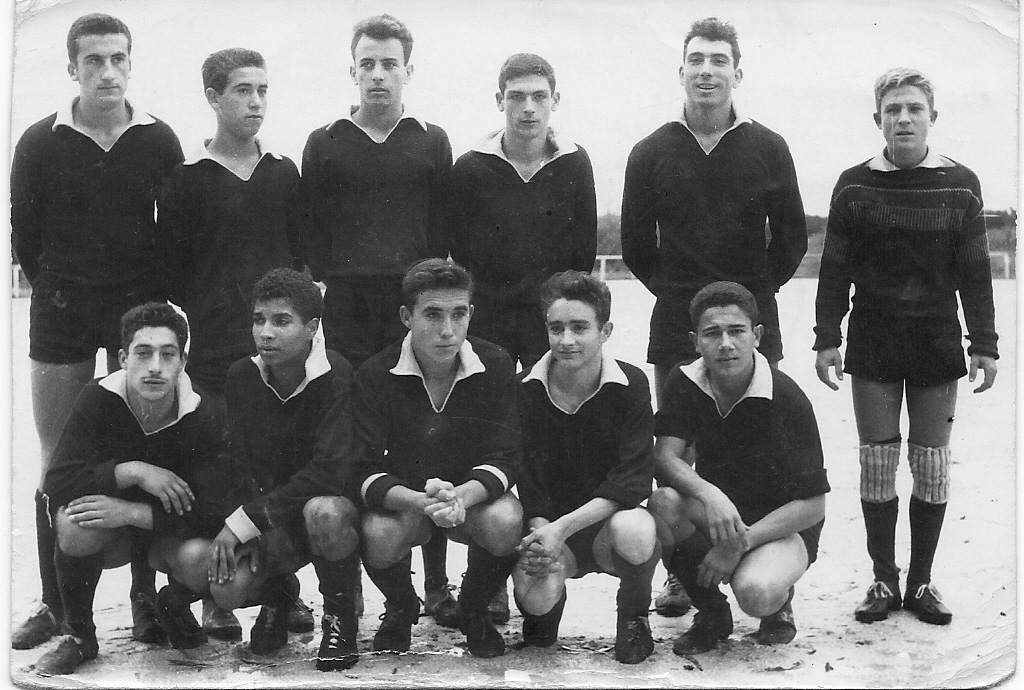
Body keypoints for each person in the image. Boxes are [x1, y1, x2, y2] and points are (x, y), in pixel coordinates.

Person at [620, 16, 807, 615]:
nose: (707, 71)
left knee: (760, 450)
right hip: (676, 318)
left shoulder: (769, 146)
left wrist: (745, 302)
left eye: (719, 60)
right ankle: (683, 573)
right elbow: (635, 246)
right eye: (697, 60)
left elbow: (793, 240)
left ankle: (773, 577)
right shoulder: (650, 151)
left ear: (737, 73)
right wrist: (681, 295)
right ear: (681, 71)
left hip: (753, 317)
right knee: (678, 453)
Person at [10, 13, 184, 650]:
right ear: (72, 68)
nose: (107, 72)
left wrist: (148, 308)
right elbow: (25, 237)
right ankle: (54, 603)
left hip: (136, 312)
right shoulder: (40, 141)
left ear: (130, 63)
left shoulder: (158, 139)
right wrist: (61, 288)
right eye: (93, 60)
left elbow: (174, 231)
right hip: (62, 311)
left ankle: (144, 599)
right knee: (58, 455)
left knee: (144, 449)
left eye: (117, 58)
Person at [813, 68, 998, 626]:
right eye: (893, 110)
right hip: (874, 340)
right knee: (877, 462)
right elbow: (834, 268)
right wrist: (827, 339)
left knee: (932, 464)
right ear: (878, 120)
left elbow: (976, 271)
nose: (904, 118)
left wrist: (984, 343)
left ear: (932, 117)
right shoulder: (853, 186)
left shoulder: (961, 185)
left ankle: (921, 581)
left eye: (914, 108)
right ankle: (883, 579)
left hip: (936, 342)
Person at [300, 13, 456, 626]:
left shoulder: (431, 140)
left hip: (411, 306)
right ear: (353, 70)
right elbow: (312, 234)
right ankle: (356, 584)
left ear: (408, 70)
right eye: (367, 63)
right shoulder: (325, 141)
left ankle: (437, 581)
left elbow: (442, 234)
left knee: (425, 432)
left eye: (390, 63)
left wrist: (424, 305)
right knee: (355, 436)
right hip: (348, 308)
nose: (378, 74)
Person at [156, 47, 308, 640]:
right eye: (242, 90)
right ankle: (216, 598)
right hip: (216, 356)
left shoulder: (284, 173)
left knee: (279, 467)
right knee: (220, 467)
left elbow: (300, 262)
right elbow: (173, 275)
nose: (255, 102)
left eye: (262, 90)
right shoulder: (187, 180)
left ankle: (284, 591)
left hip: (279, 356)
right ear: (213, 98)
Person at [150, 268, 363, 671]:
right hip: (267, 518)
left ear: (312, 327)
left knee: (326, 511)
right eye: (258, 320)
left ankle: (340, 623)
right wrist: (244, 526)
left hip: (316, 515)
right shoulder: (241, 375)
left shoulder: (336, 372)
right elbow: (237, 463)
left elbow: (329, 472)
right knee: (227, 586)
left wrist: (247, 521)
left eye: (281, 321)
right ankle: (275, 600)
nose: (265, 333)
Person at [32, 304, 223, 675]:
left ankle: (174, 604)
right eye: (143, 353)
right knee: (75, 521)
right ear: (122, 359)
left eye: (167, 355)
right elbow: (57, 481)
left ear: (183, 361)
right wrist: (128, 472)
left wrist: (137, 512)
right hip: (116, 534)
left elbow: (218, 508)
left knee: (204, 556)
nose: (155, 367)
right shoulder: (97, 397)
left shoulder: (203, 411)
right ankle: (79, 635)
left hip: (170, 534)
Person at [353, 258, 524, 658]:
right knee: (377, 532)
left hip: (469, 500)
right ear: (406, 317)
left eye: (458, 314)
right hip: (407, 500)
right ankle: (401, 606)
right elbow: (361, 466)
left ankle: (474, 610)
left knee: (507, 519)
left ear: (471, 314)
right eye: (432, 314)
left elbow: (508, 454)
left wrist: (463, 496)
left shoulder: (496, 364)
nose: (448, 330)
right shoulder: (376, 373)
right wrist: (418, 501)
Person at [648, 282, 829, 654]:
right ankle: (712, 613)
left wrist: (739, 544)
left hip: (781, 525)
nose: (725, 344)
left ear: (757, 336)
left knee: (756, 593)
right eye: (712, 333)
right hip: (722, 512)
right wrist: (709, 494)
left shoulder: (786, 396)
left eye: (737, 331)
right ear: (695, 341)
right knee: (663, 503)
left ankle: (779, 603)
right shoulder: (684, 381)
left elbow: (813, 506)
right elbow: (664, 457)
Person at [513, 271, 658, 664]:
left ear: (605, 331)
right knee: (537, 601)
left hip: (607, 530)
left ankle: (634, 617)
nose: (566, 340)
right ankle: (545, 616)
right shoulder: (524, 389)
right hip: (550, 527)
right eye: (556, 328)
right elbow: (527, 477)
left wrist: (562, 528)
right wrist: (543, 532)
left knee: (637, 527)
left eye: (579, 328)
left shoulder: (631, 383)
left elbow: (632, 481)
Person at [447, 53, 597, 370]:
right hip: (487, 319)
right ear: (500, 100)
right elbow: (460, 251)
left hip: (551, 320)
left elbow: (583, 251)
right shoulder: (470, 167)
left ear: (554, 100)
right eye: (517, 96)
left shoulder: (575, 162)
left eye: (539, 96)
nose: (529, 107)